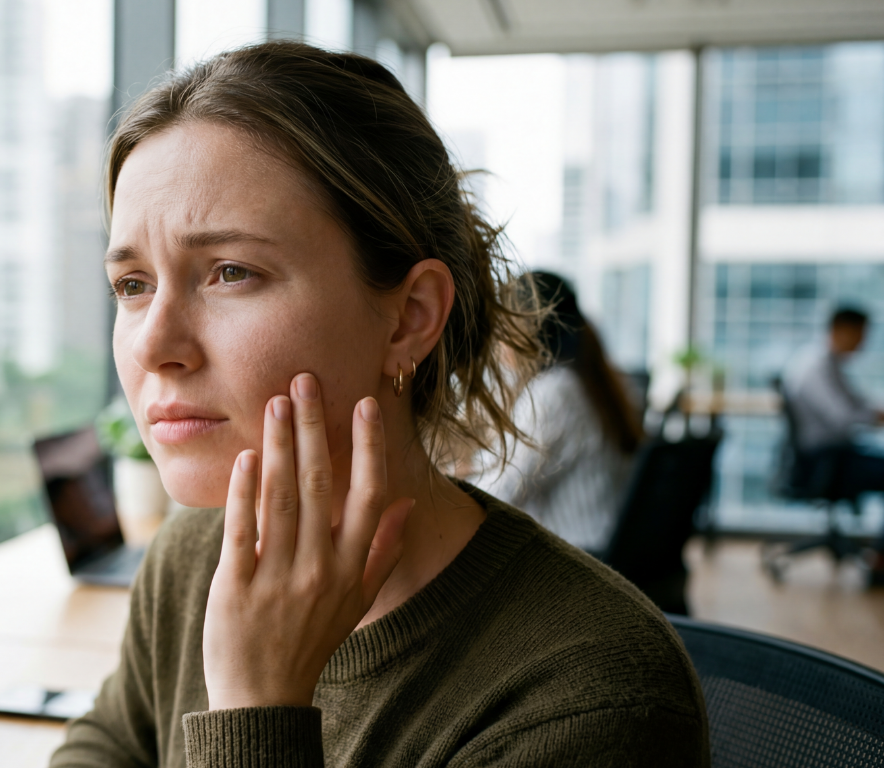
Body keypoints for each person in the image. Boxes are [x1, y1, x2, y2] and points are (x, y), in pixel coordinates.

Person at [51, 42, 708, 767]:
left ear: (409, 318)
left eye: (231, 272)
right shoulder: (198, 554)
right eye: (133, 285)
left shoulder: (591, 699)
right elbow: (103, 747)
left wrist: (256, 705)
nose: (152, 345)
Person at [470, 271, 644, 553]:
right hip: (602, 551)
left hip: (575, 559)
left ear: (529, 329)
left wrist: (453, 480)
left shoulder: (554, 394)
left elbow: (497, 497)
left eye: (503, 325)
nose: (497, 339)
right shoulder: (590, 381)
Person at [783, 306, 884, 584]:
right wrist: (874, 417)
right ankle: (880, 560)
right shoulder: (815, 366)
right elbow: (842, 417)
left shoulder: (829, 364)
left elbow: (856, 403)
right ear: (841, 330)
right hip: (825, 461)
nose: (863, 343)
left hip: (835, 455)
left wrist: (874, 413)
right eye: (860, 335)